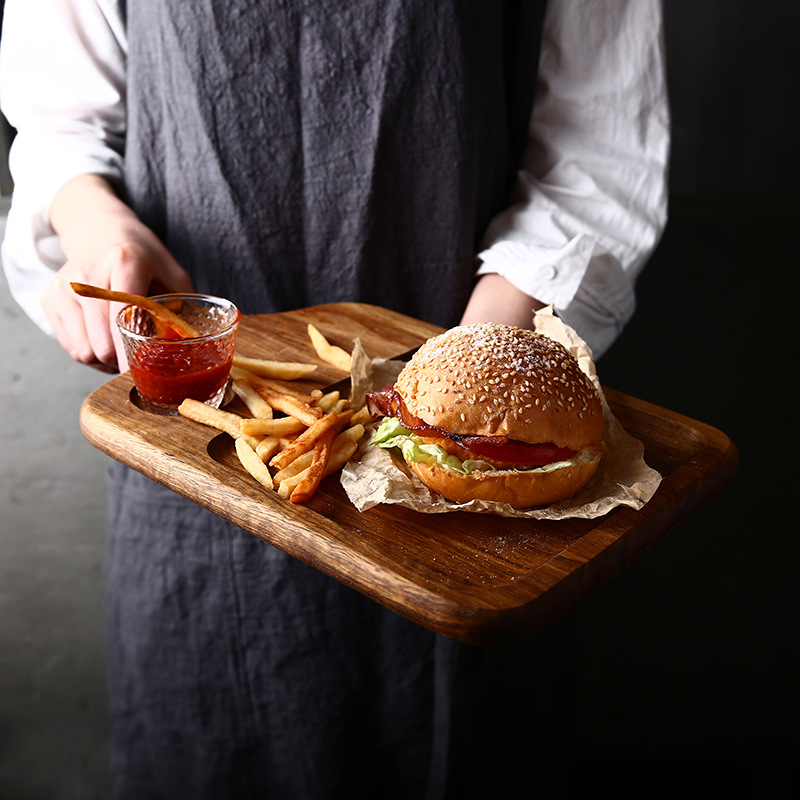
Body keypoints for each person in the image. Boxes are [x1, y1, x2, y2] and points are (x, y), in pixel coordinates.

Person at [1, 1, 670, 797]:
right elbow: (57, 121)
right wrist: (96, 226)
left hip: (473, 532)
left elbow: (600, 150)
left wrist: (460, 387)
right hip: (202, 456)